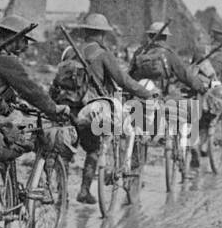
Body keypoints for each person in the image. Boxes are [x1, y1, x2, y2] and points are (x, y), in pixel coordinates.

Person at [52, 13, 154, 205]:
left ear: (84, 32)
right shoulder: (102, 54)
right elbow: (123, 81)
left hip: (68, 108)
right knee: (94, 149)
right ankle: (84, 190)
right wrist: (146, 94)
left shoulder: (70, 52)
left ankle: (61, 195)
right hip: (92, 109)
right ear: (102, 35)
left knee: (65, 152)